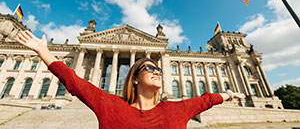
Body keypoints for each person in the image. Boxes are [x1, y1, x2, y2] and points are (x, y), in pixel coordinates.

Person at [16, 30, 245, 129]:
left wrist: (231, 94)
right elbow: (74, 82)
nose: (156, 71)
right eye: (148, 67)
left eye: (159, 69)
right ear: (133, 78)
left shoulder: (177, 109)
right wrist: (42, 51)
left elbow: (207, 99)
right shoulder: (111, 107)